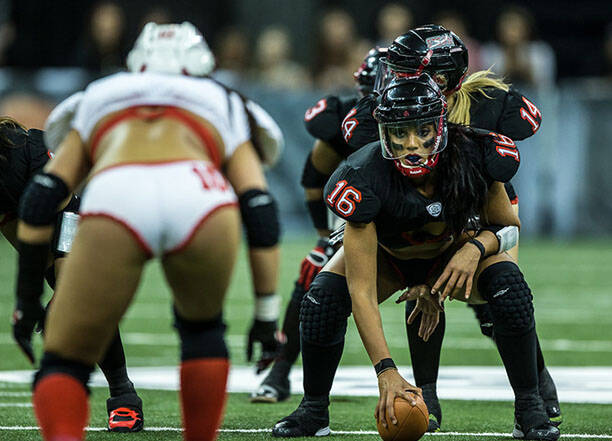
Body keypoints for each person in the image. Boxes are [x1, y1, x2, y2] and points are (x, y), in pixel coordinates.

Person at [13, 21, 281, 441]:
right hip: (198, 193)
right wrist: (266, 313)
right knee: (202, 330)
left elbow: (43, 195)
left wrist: (27, 298)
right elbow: (260, 209)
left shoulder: (102, 93)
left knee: (64, 358)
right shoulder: (223, 98)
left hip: (120, 189)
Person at [272, 74, 560, 441]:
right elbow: (361, 290)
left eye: (422, 130)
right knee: (322, 302)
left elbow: (508, 227)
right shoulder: (362, 175)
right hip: (391, 259)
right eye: (400, 132)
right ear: (383, 133)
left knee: (510, 290)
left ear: (440, 127)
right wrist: (386, 371)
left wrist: (474, 250)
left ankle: (529, 408)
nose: (411, 145)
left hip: (455, 252)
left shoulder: (474, 154)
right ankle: (313, 410)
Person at [340, 24, 560, 431]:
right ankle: (427, 392)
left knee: (501, 298)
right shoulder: (391, 110)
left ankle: (534, 386)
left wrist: (472, 242)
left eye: (408, 72)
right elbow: (357, 145)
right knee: (340, 288)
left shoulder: (483, 102)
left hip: (478, 206)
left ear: (441, 79)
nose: (398, 81)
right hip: (411, 209)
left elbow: (527, 123)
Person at [251, 47, 387, 403]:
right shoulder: (344, 121)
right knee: (317, 266)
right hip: (364, 216)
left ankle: (533, 384)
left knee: (476, 276)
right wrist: (326, 235)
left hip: (422, 217)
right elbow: (314, 177)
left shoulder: (439, 123)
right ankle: (281, 371)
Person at [0, 116, 144, 432]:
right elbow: (16, 230)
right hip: (25, 218)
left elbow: (64, 208)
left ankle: (123, 394)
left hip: (75, 206)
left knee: (80, 299)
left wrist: (65, 290)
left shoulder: (26, 150)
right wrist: (30, 296)